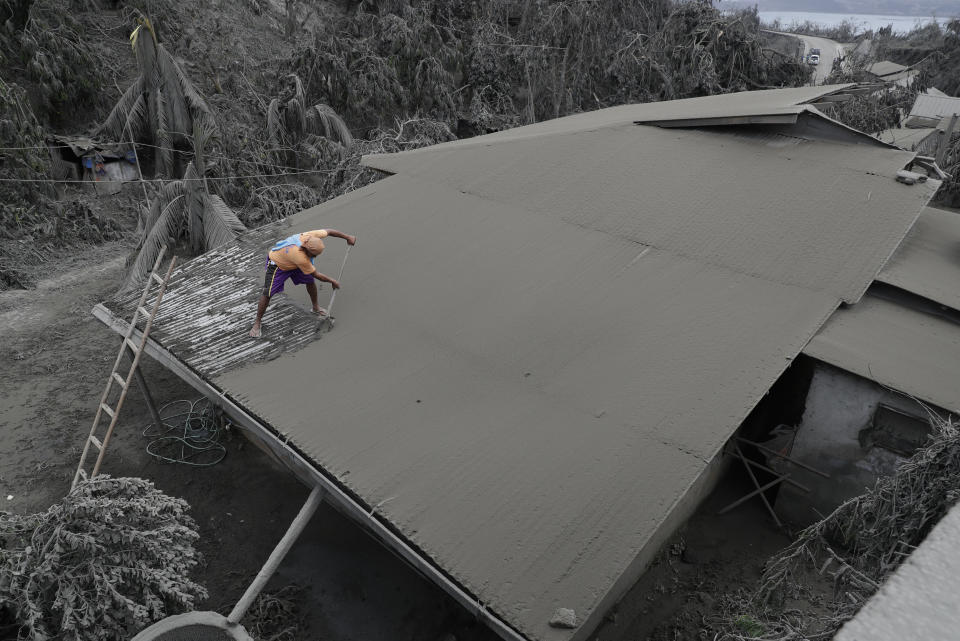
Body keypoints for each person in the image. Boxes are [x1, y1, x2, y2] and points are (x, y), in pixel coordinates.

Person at [249, 228, 356, 338]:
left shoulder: (311, 237)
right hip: (278, 264)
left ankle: (316, 308)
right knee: (268, 292)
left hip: (293, 262)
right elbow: (316, 274)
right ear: (307, 250)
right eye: (314, 255)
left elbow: (329, 231)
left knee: (309, 281)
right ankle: (257, 322)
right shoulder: (300, 257)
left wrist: (347, 237)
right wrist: (332, 281)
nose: (315, 257)